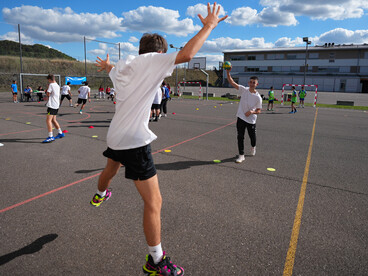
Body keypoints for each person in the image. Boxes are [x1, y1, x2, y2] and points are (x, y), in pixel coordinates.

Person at [91, 3, 227, 275]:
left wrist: (107, 65)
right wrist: (209, 26)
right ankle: (155, 260)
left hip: (116, 135)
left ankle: (100, 194)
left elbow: (112, 71)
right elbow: (187, 54)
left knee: (110, 169)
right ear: (160, 52)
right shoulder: (153, 61)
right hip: (134, 140)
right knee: (154, 203)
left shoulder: (123, 66)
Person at [226, 66, 262, 163]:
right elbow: (232, 82)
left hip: (251, 120)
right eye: (250, 82)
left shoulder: (258, 97)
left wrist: (252, 112)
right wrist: (228, 72)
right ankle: (241, 155)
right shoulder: (244, 90)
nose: (251, 84)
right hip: (241, 117)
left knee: (252, 138)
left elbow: (259, 110)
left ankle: (253, 147)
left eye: (253, 82)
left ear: (257, 84)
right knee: (240, 136)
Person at [42, 74, 65, 143]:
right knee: (53, 120)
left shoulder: (51, 85)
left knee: (48, 120)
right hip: (56, 105)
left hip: (52, 105)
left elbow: (48, 94)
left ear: (49, 79)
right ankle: (60, 133)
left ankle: (50, 136)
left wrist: (47, 90)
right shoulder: (57, 85)